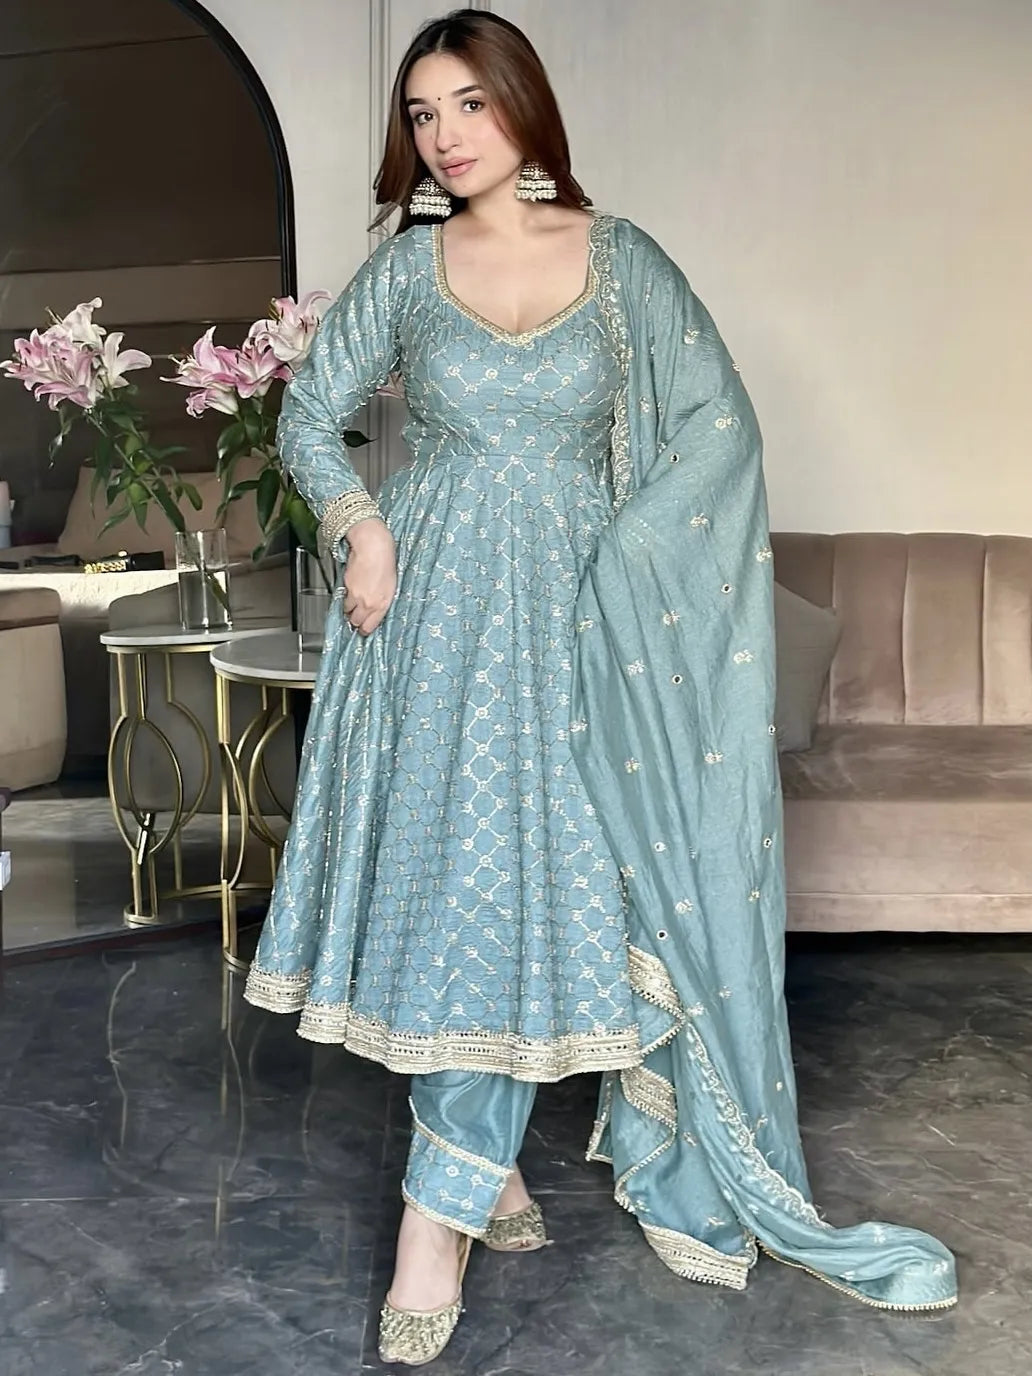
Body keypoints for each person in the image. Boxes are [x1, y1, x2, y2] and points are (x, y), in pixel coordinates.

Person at [244, 8, 957, 1365]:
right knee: (457, 881)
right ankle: (459, 1196)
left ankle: (449, 1201)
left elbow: (716, 429)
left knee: (545, 885)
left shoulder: (623, 264)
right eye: (420, 115)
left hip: (586, 626)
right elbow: (307, 410)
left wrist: (626, 555)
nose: (443, 137)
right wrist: (362, 523)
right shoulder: (408, 266)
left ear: (523, 104)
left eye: (465, 104)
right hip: (437, 618)